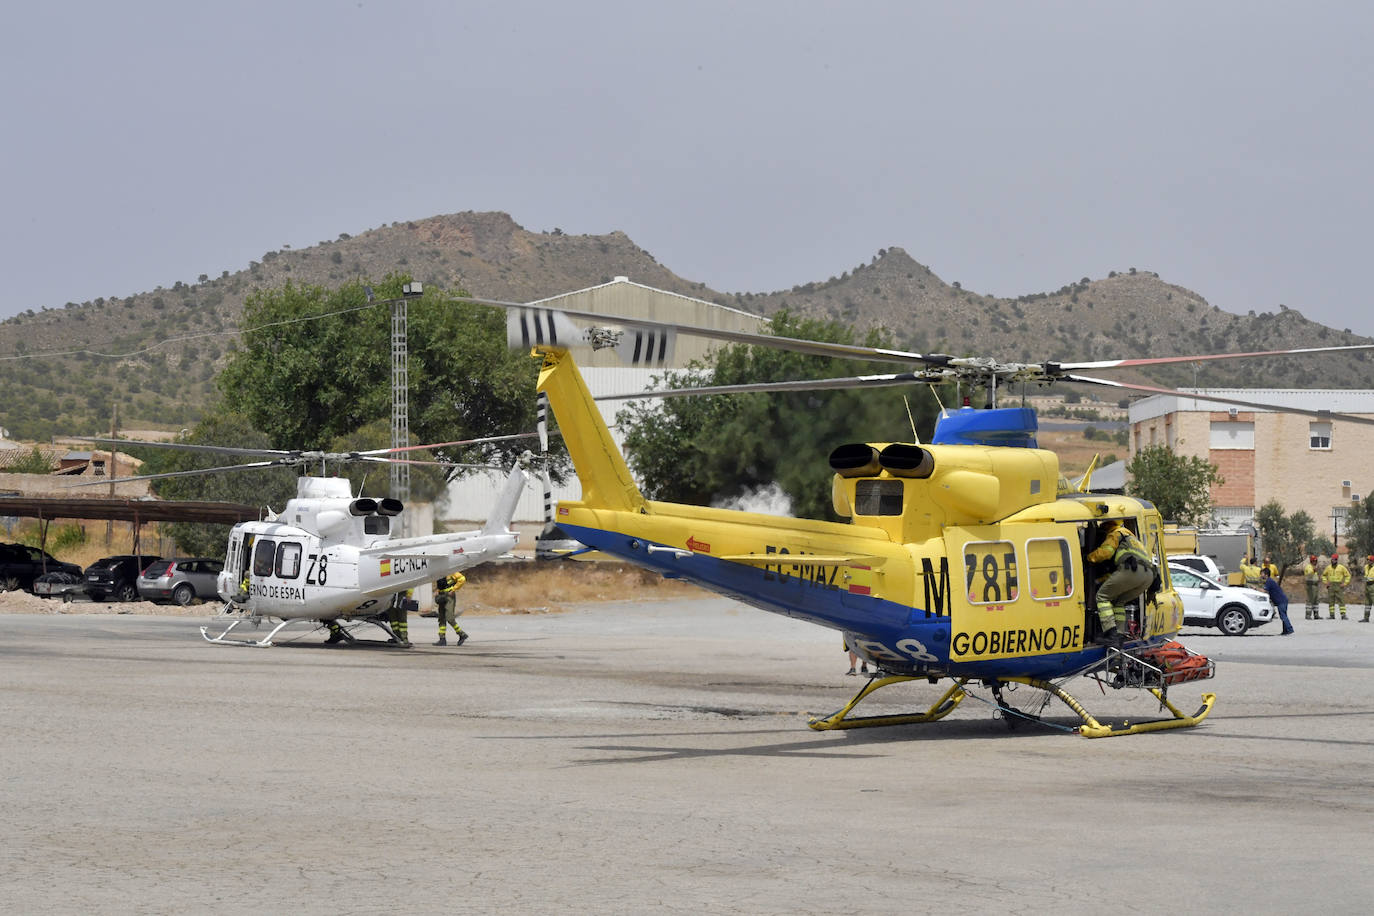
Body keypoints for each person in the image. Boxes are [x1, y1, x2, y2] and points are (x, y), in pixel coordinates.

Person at [1087, 519, 1155, 646]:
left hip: (1132, 570)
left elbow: (1106, 552)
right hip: (1148, 575)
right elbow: (1115, 575)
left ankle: (1110, 634)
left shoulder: (1115, 533)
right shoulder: (1132, 538)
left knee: (1102, 597)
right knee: (1118, 601)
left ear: (1108, 525)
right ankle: (1119, 634)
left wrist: (1089, 557)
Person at [433, 572, 469, 646]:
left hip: (449, 596)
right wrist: (437, 591)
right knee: (441, 618)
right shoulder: (439, 573)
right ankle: (442, 639)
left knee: (450, 618)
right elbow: (440, 585)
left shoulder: (451, 572)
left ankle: (462, 634)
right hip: (441, 595)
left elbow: (462, 579)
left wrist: (453, 589)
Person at [1262, 568, 1294, 636]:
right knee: (1283, 615)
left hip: (1281, 601)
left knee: (1283, 616)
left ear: (1266, 574)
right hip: (1282, 600)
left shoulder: (1269, 581)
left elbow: (1264, 591)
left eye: (1262, 574)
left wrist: (1255, 589)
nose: (1261, 575)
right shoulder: (1269, 581)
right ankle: (1285, 631)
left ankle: (1290, 629)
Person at [1322, 554, 1350, 620]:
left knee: (1341, 600)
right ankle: (1332, 615)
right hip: (1331, 586)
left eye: (1334, 559)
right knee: (1331, 601)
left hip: (1338, 586)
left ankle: (1343, 615)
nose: (1332, 560)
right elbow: (1323, 575)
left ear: (1336, 560)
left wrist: (1345, 583)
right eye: (1332, 559)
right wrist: (1326, 582)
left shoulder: (1341, 567)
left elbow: (1348, 575)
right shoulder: (1328, 567)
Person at [1303, 555, 1322, 620]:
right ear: (1311, 561)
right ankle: (1308, 615)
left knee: (1316, 601)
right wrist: (1314, 570)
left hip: (1315, 585)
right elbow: (1309, 573)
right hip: (1310, 586)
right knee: (1310, 600)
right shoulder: (1309, 567)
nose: (1315, 562)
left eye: (1316, 561)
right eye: (1314, 561)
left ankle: (1316, 614)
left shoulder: (1313, 567)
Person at [1363, 555, 1374, 623]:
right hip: (1367, 586)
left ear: (1372, 561)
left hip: (1373, 586)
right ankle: (1366, 618)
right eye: (1367, 559)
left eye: (1369, 560)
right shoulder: (1366, 567)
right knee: (1367, 604)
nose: (1367, 561)